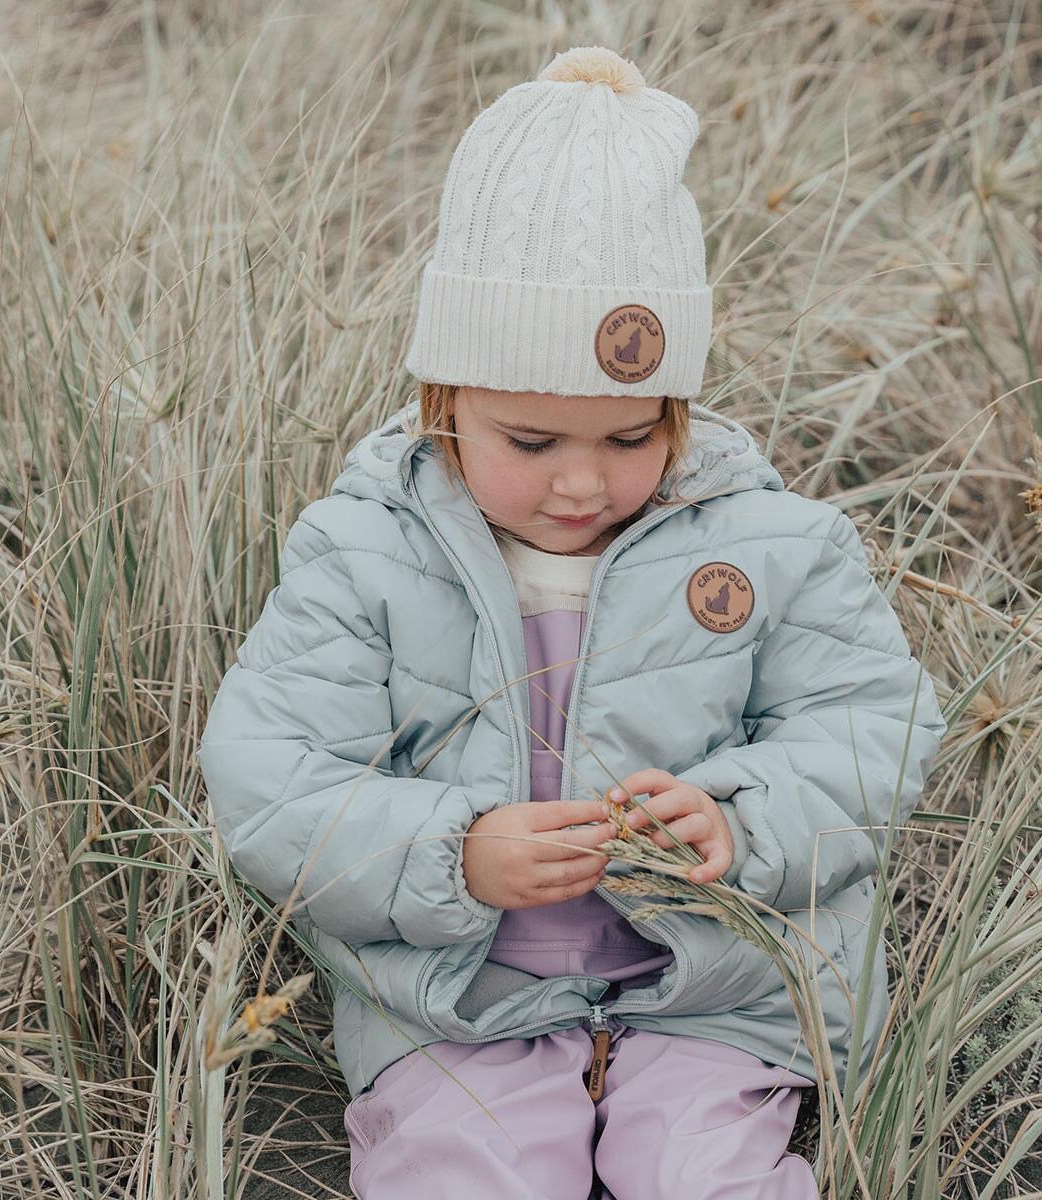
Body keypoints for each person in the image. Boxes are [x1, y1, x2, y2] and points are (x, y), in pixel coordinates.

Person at [196, 45, 948, 1200]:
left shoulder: (774, 545)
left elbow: (874, 728)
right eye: (532, 441)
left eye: (631, 437)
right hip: (458, 1006)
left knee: (708, 1176)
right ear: (445, 400)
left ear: (676, 407)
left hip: (712, 999)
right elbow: (271, 780)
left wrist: (742, 820)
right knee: (462, 1177)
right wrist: (452, 851)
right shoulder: (364, 553)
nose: (584, 483)